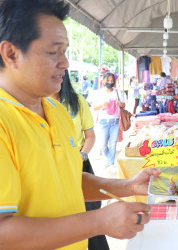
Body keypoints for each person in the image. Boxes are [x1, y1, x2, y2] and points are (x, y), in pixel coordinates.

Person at [0, 0, 160, 250]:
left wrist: (127, 185)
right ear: (11, 53)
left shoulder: (56, 110)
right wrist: (98, 222)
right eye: (54, 52)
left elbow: (69, 179)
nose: (65, 63)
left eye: (65, 51)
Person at [50, 70, 109, 250]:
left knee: (90, 214)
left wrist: (81, 155)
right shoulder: (35, 103)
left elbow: (90, 136)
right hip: (52, 168)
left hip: (79, 164)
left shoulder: (77, 102)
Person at [93, 72, 125, 171]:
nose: (110, 82)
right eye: (108, 81)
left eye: (112, 81)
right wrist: (102, 105)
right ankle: (109, 158)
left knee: (113, 143)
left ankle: (110, 164)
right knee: (103, 144)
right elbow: (94, 107)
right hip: (103, 122)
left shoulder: (118, 92)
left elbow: (124, 106)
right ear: (103, 81)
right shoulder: (99, 93)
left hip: (115, 121)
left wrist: (120, 104)